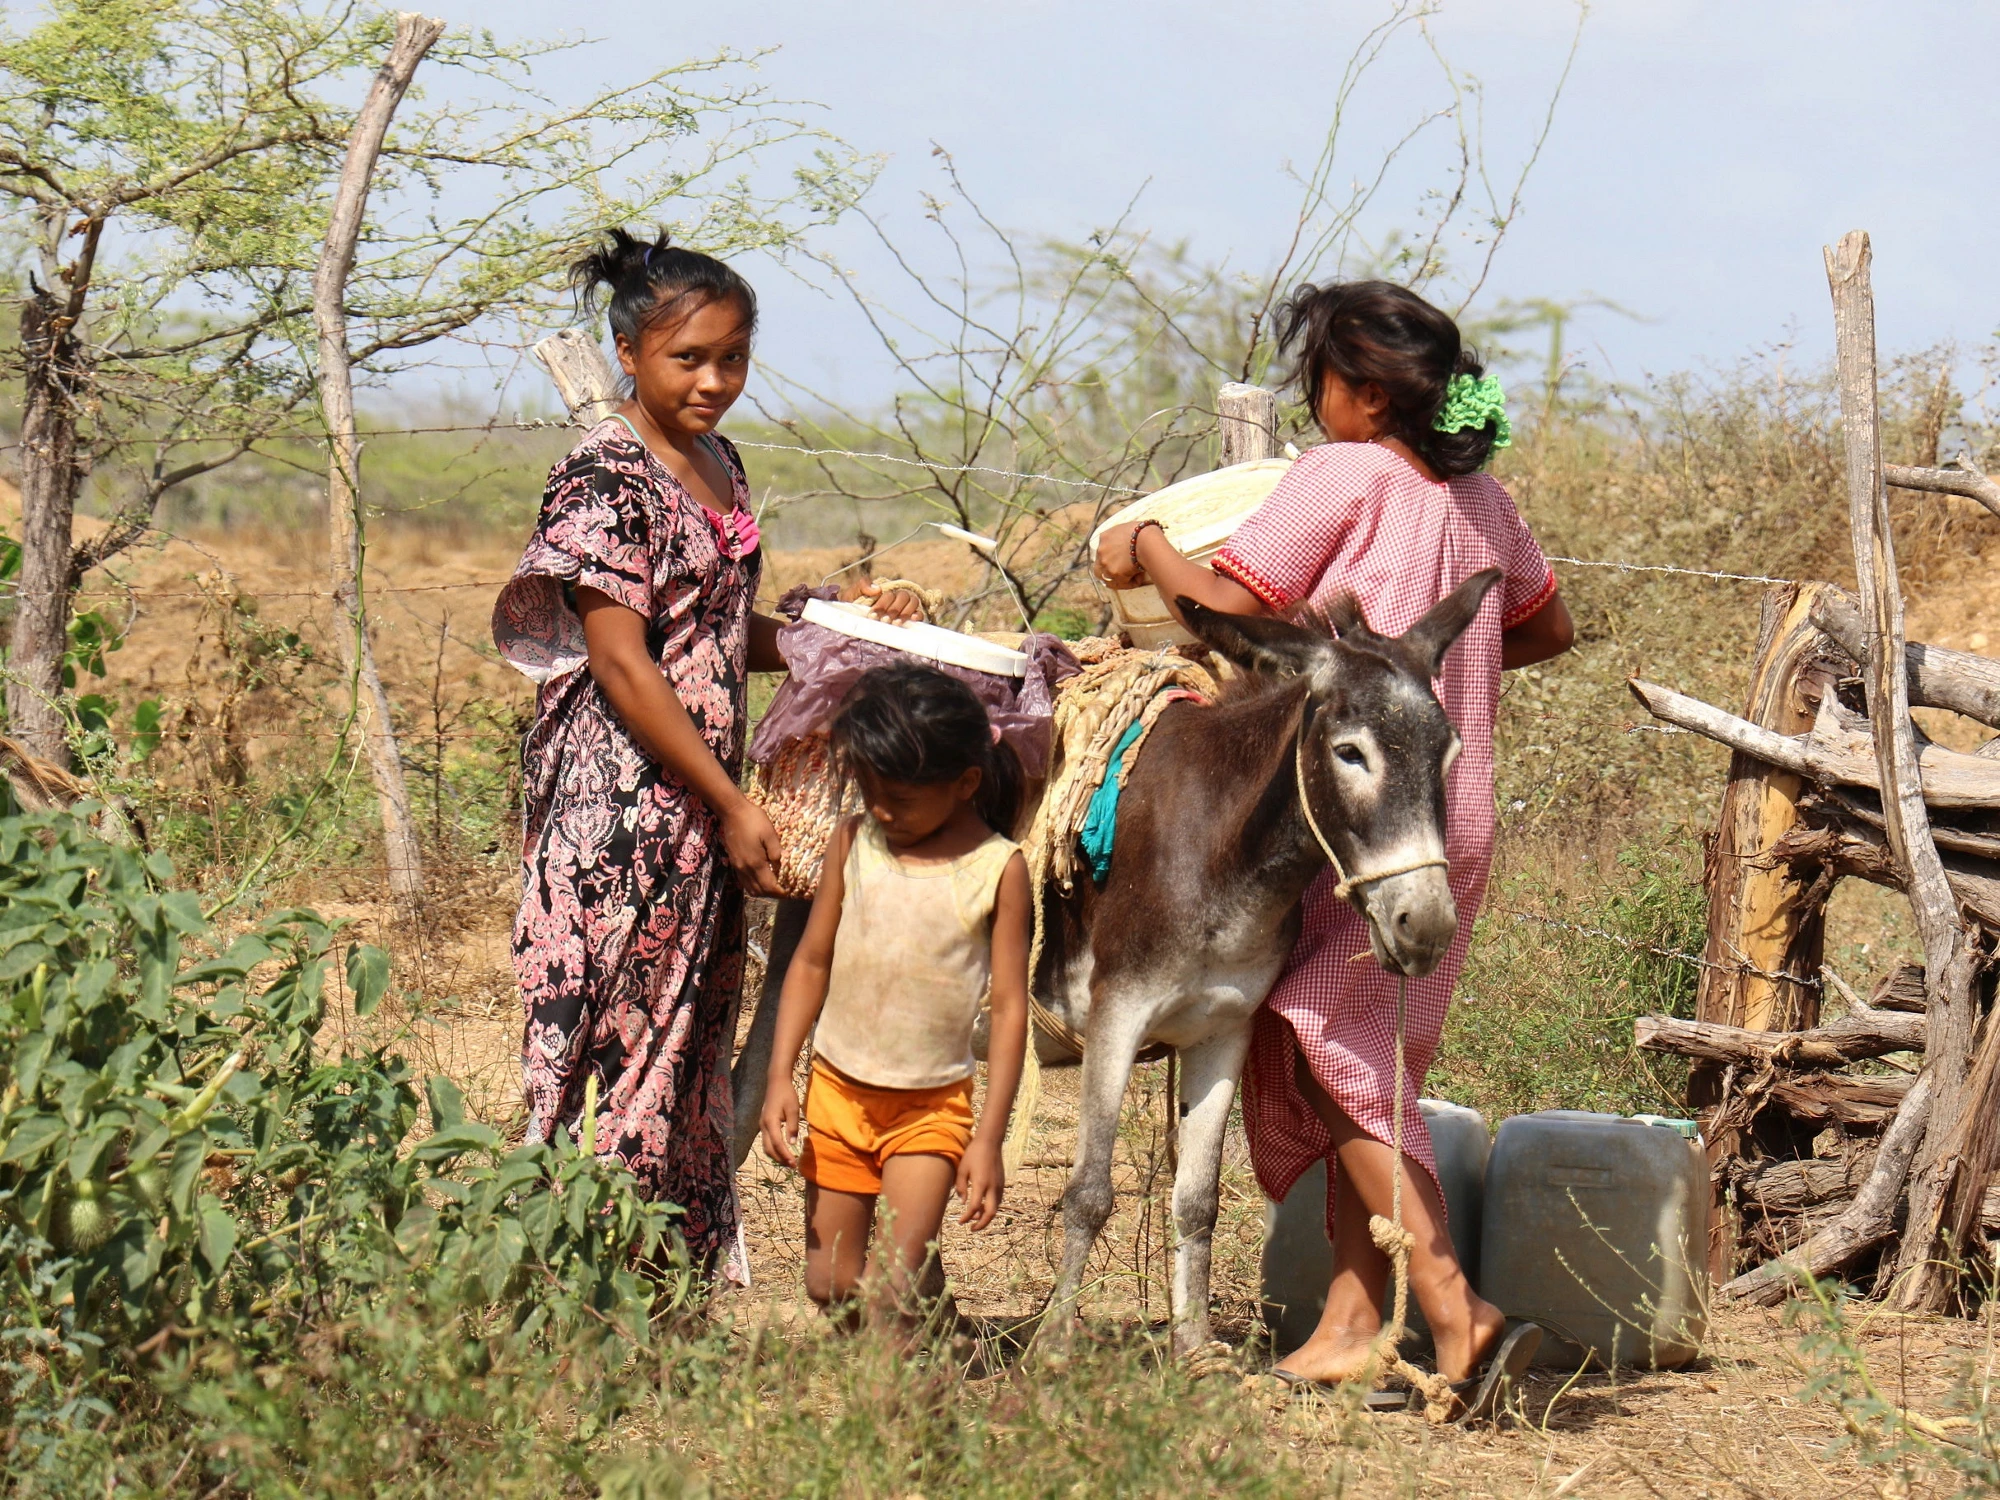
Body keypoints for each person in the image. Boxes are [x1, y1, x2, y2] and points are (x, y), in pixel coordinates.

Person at [1095, 280, 1574, 1406]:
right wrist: (1434, 677)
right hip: (1447, 814)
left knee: (1327, 1045)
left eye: (1318, 382)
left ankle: (1454, 1311)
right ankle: (1355, 1321)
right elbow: (1544, 625)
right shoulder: (1479, 499)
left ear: (1359, 392)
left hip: (1352, 827)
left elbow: (1222, 606)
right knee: (1373, 1069)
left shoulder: (1345, 474)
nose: (1313, 408)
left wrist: (1143, 541)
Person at [493, 227, 917, 1284]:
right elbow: (624, 663)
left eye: (733, 357)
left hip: (702, 798)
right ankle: (561, 1281)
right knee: (611, 1036)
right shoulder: (605, 479)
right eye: (689, 359)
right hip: (623, 807)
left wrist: (848, 634)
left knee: (682, 1045)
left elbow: (724, 633)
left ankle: (655, 1289)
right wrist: (731, 803)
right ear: (628, 352)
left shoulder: (719, 467)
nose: (715, 380)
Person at [759, 664, 1031, 1329]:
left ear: (965, 784)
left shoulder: (998, 869)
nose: (882, 810)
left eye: (901, 799)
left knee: (890, 1293)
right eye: (870, 791)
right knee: (831, 1285)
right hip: (836, 1094)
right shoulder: (854, 842)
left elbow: (1008, 1008)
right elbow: (811, 962)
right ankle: (917, 1347)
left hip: (930, 1109)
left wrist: (987, 1138)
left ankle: (900, 1418)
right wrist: (779, 1077)